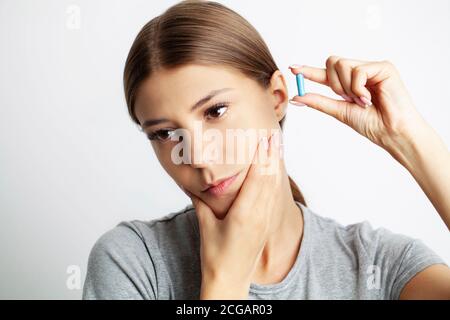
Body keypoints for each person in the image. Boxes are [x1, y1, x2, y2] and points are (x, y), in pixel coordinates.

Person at [82, 0, 450, 300]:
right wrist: (224, 282)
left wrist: (410, 139)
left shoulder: (380, 267)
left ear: (276, 98)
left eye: (216, 111)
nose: (198, 157)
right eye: (164, 134)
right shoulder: (134, 263)